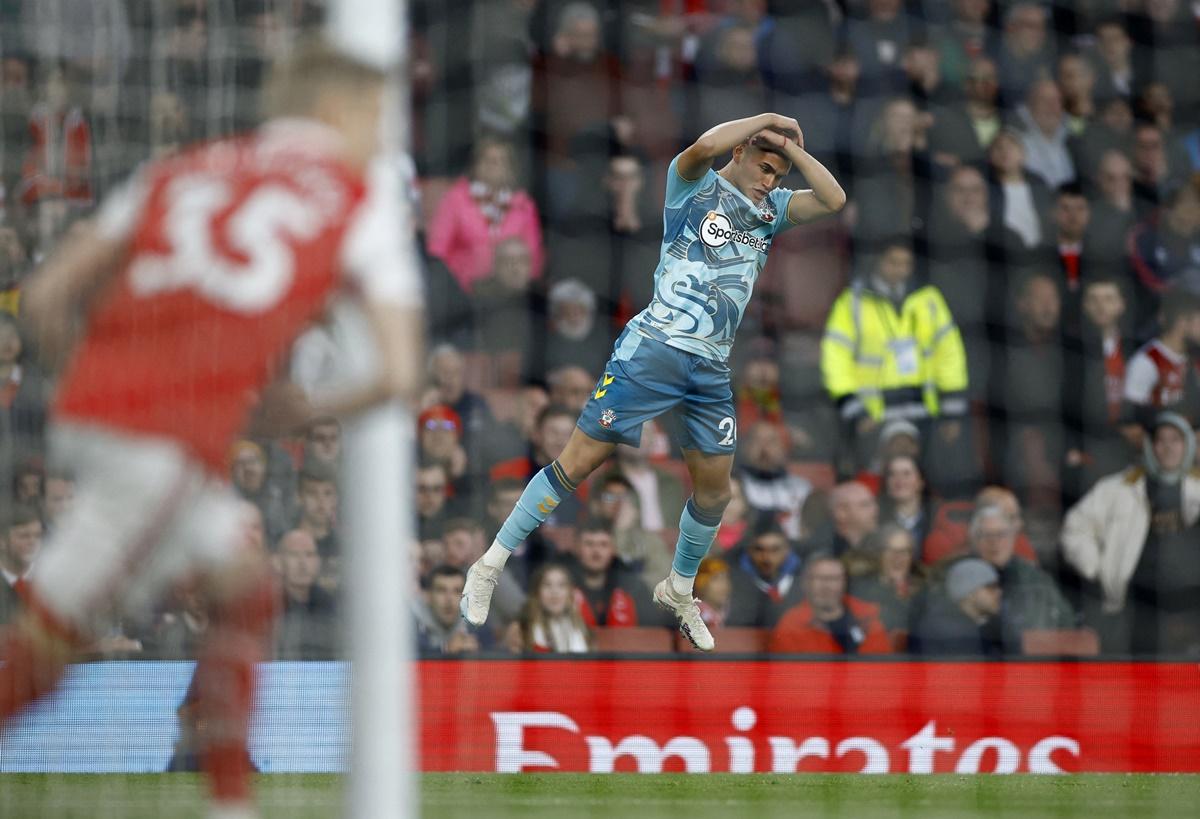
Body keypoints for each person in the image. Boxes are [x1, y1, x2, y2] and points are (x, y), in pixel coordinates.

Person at [0, 40, 422, 819]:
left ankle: (230, 802)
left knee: (246, 588)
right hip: (163, 438)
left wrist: (101, 383)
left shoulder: (181, 168)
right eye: (379, 119)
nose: (383, 138)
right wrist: (304, 410)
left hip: (102, 408)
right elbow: (398, 375)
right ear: (337, 111)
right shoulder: (354, 197)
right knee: (50, 645)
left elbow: (50, 294)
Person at [462, 111, 846, 651]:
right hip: (653, 353)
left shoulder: (773, 211)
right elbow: (703, 144)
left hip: (711, 368)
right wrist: (766, 121)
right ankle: (490, 564)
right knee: (575, 464)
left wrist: (789, 150)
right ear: (739, 155)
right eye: (763, 168)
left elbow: (833, 200)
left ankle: (679, 588)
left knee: (715, 493)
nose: (769, 181)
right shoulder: (691, 187)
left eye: (777, 176)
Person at [821, 239, 968, 474]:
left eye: (906, 263)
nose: (900, 268)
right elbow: (835, 358)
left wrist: (951, 410)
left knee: (923, 480)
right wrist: (854, 409)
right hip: (873, 417)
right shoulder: (852, 302)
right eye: (893, 262)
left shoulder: (928, 299)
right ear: (877, 262)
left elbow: (949, 353)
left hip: (925, 414)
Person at [1060, 412, 1200, 654]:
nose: (1168, 448)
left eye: (1175, 440)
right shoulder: (1118, 487)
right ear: (1150, 445)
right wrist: (1097, 567)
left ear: (1187, 445)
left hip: (1191, 609)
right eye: (1161, 440)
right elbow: (1075, 528)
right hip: (1135, 608)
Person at [768, 553, 892, 655]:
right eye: (819, 578)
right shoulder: (792, 624)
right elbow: (786, 677)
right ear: (805, 583)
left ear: (844, 582)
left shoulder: (867, 618)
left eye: (834, 579)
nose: (826, 586)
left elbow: (883, 670)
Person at [909, 556, 1017, 656]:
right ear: (969, 593)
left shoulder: (991, 626)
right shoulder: (946, 633)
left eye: (998, 586)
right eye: (991, 587)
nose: (999, 592)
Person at [726, 516, 804, 628]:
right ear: (749, 550)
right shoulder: (732, 583)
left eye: (775, 549)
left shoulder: (805, 580)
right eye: (759, 549)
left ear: (787, 550)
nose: (767, 558)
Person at [273, 529, 338, 661]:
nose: (302, 564)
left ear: (318, 562)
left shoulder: (329, 606)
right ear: (278, 562)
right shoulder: (267, 605)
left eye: (309, 555)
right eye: (294, 555)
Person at [516, 562, 592, 653]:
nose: (555, 592)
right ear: (537, 592)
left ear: (570, 592)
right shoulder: (522, 629)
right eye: (547, 585)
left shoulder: (581, 626)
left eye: (561, 585)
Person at [415, 565, 488, 655]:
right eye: (441, 590)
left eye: (457, 591)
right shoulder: (410, 628)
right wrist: (445, 649)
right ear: (428, 596)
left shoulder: (477, 626)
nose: (449, 599)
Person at [0, 504, 41, 626]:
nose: (32, 542)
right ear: (1, 542)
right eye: (24, 536)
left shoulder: (49, 582)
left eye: (38, 535)